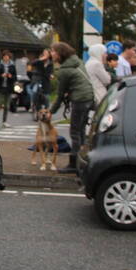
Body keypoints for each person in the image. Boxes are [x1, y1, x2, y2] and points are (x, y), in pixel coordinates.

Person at [49, 42, 94, 174]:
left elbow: (60, 94)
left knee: (74, 132)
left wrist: (52, 111)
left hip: (79, 100)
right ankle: (84, 160)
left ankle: (74, 164)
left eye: (53, 51)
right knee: (81, 131)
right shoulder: (77, 61)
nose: (51, 54)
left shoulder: (64, 70)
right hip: (89, 98)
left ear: (60, 53)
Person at [0, 50, 17, 127]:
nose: (6, 58)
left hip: (8, 88)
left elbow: (15, 77)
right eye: (5, 56)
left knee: (7, 105)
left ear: (9, 57)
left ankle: (4, 121)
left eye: (8, 56)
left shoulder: (12, 66)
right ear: (2, 57)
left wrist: (10, 76)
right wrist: (1, 76)